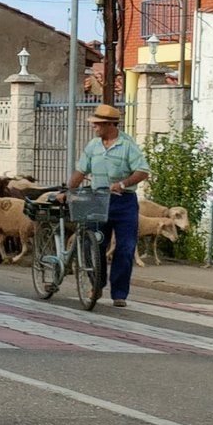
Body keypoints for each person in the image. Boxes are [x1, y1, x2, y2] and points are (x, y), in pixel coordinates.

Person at [61, 103, 150, 307]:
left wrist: (123, 184)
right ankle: (96, 285)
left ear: (111, 124)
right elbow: (81, 171)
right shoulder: (93, 146)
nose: (95, 127)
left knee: (126, 248)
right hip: (98, 200)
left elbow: (143, 170)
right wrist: (68, 190)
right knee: (94, 244)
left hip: (124, 202)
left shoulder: (127, 145)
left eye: (98, 124)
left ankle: (119, 293)